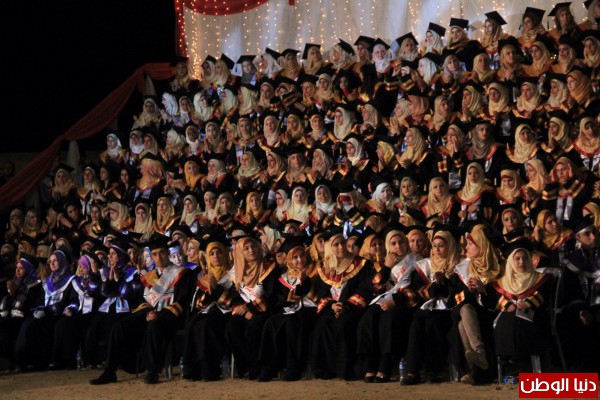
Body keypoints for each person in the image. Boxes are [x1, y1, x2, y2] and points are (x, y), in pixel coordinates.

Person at [90, 235, 194, 385]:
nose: (159, 257)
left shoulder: (183, 274)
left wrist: (159, 314)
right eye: (155, 254)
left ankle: (153, 372)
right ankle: (110, 371)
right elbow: (142, 301)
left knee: (154, 325)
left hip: (171, 318)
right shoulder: (149, 277)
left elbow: (182, 300)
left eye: (162, 253)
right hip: (149, 315)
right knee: (119, 326)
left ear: (167, 253)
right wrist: (148, 313)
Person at [310, 226, 372, 380]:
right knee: (323, 324)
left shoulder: (361, 264)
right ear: (329, 248)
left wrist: (346, 306)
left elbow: (364, 289)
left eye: (343, 243)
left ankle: (346, 370)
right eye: (336, 245)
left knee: (344, 323)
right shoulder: (323, 268)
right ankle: (326, 369)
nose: (341, 247)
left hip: (353, 309)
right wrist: (332, 305)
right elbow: (321, 294)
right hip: (331, 309)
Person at [485, 240, 552, 372]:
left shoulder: (540, 278)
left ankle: (520, 362)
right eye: (517, 259)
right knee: (507, 317)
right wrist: (506, 304)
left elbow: (545, 293)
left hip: (535, 316)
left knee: (518, 319)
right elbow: (495, 299)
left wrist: (529, 303)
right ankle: (508, 359)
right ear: (510, 261)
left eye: (525, 258)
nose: (522, 262)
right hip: (510, 317)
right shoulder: (502, 281)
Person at [225, 234, 280, 380]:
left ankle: (261, 367)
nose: (251, 250)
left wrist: (250, 308)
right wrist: (245, 311)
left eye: (253, 246)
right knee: (232, 325)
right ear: (240, 253)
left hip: (266, 310)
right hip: (247, 311)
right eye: (246, 248)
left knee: (254, 326)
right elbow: (235, 298)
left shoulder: (269, 267)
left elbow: (272, 296)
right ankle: (248, 366)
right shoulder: (236, 272)